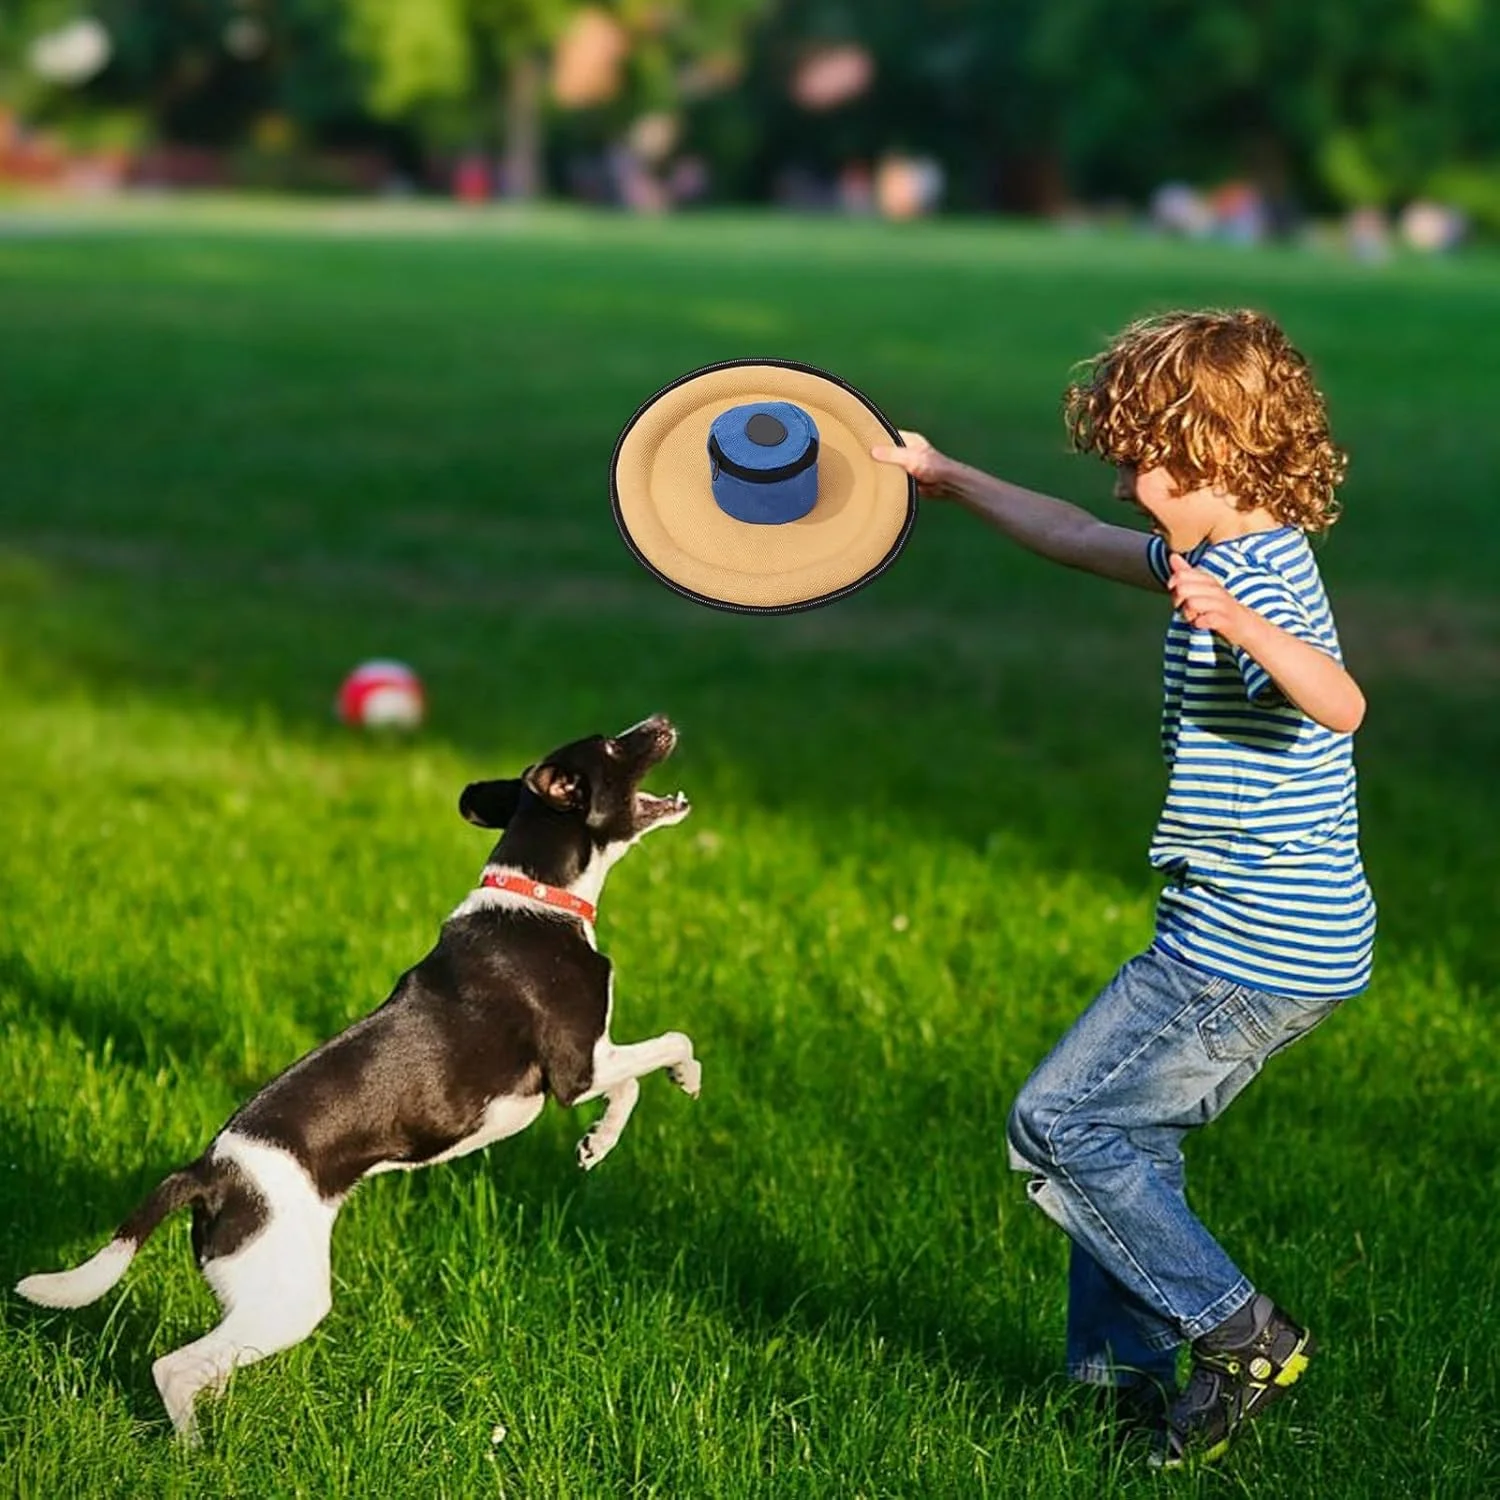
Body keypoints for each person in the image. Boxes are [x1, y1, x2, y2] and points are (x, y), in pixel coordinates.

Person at [872, 308, 1375, 1467]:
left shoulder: (1261, 586)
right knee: (1130, 1141)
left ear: (1228, 461)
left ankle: (1239, 1332)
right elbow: (1068, 535)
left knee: (1059, 1123)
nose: (1133, 487)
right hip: (1261, 934)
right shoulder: (1214, 550)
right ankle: (1120, 1384)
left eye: (1154, 463)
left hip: (1250, 950)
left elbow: (1342, 703)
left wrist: (1243, 622)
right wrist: (946, 477)